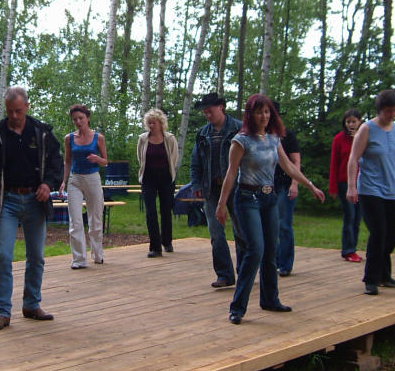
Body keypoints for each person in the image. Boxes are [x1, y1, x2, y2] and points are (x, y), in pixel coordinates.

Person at [215, 94, 324, 324]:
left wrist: (310, 186)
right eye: (259, 112)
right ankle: (237, 307)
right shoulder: (241, 140)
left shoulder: (274, 139)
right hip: (247, 198)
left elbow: (289, 167)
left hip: (270, 198)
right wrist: (221, 204)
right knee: (255, 249)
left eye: (267, 112)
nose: (264, 116)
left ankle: (270, 299)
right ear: (250, 115)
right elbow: (231, 173)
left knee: (271, 251)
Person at [0, 86, 63, 331]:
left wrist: (48, 184)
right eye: (10, 111)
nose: (14, 116)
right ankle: (2, 312)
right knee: (3, 255)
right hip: (7, 201)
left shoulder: (41, 132)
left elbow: (56, 162)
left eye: (18, 111)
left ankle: (31, 304)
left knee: (36, 256)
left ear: (27, 107)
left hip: (35, 200)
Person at [346, 90, 395, 296]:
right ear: (379, 110)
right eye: (388, 111)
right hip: (371, 189)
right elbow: (353, 158)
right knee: (378, 233)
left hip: (393, 190)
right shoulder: (366, 129)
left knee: (391, 236)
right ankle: (371, 279)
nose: (392, 114)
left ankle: (385, 275)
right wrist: (351, 186)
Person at [189, 92, 243, 288]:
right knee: (215, 232)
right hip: (211, 188)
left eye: (210, 111)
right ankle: (224, 275)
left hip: (237, 187)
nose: (208, 115)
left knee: (241, 230)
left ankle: (244, 271)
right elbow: (196, 161)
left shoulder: (239, 129)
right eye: (205, 112)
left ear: (221, 107)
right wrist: (196, 184)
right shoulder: (203, 133)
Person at [59, 104, 108, 269]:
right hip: (75, 180)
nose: (78, 122)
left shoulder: (98, 138)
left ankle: (97, 253)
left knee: (95, 218)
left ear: (87, 118)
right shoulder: (69, 138)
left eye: (81, 118)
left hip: (93, 179)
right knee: (76, 221)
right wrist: (63, 181)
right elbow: (67, 161)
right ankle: (79, 259)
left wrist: (98, 159)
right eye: (75, 119)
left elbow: (105, 161)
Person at [137, 109, 179, 257]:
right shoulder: (142, 139)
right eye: (149, 123)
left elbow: (174, 158)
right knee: (150, 212)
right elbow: (140, 157)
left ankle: (167, 242)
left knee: (166, 210)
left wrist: (169, 173)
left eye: (153, 123)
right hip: (148, 178)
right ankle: (155, 247)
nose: (151, 125)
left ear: (161, 123)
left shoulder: (170, 138)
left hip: (166, 177)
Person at [329, 109, 363, 262]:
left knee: (358, 217)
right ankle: (348, 250)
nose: (351, 124)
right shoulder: (338, 139)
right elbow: (334, 164)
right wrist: (333, 187)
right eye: (348, 122)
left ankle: (353, 248)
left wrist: (357, 139)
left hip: (362, 183)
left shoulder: (364, 138)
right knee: (350, 215)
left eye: (354, 121)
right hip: (344, 183)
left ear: (360, 122)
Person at [272, 102, 300, 277]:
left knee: (284, 224)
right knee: (270, 225)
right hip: (268, 185)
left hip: (285, 184)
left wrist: (295, 184)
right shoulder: (262, 136)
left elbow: (295, 161)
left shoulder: (287, 135)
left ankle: (285, 264)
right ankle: (273, 261)